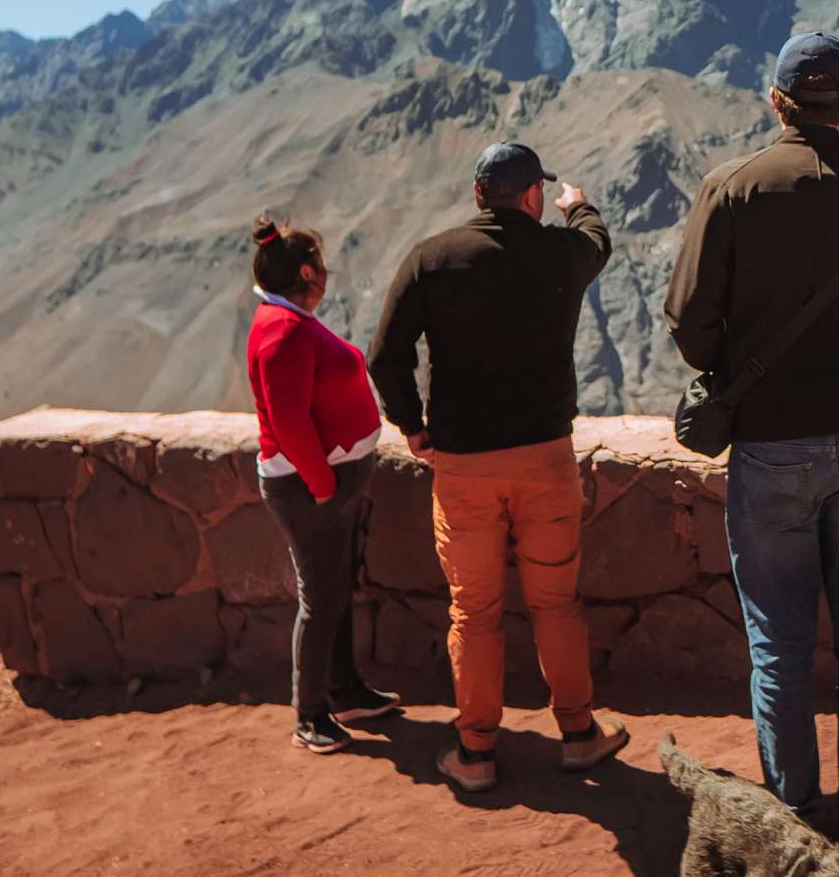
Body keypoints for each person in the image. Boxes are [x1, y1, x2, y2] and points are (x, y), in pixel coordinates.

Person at [664, 31, 839, 869]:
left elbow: (689, 324)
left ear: (777, 100)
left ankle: (798, 818)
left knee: (779, 646)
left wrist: (733, 366)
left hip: (771, 449)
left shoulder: (730, 190)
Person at [366, 141, 626, 792]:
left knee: (473, 610)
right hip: (545, 461)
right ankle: (578, 735)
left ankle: (476, 752)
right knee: (555, 603)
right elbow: (597, 238)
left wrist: (414, 428)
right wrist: (580, 204)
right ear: (534, 197)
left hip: (462, 468)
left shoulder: (432, 258)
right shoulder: (561, 254)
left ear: (479, 195)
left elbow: (385, 355)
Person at [246, 214, 401, 754]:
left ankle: (344, 690)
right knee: (319, 598)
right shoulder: (281, 332)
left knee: (335, 591)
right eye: (323, 267)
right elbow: (288, 423)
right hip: (308, 487)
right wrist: (320, 485)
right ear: (309, 272)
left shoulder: (287, 322)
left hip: (325, 482)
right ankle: (310, 715)